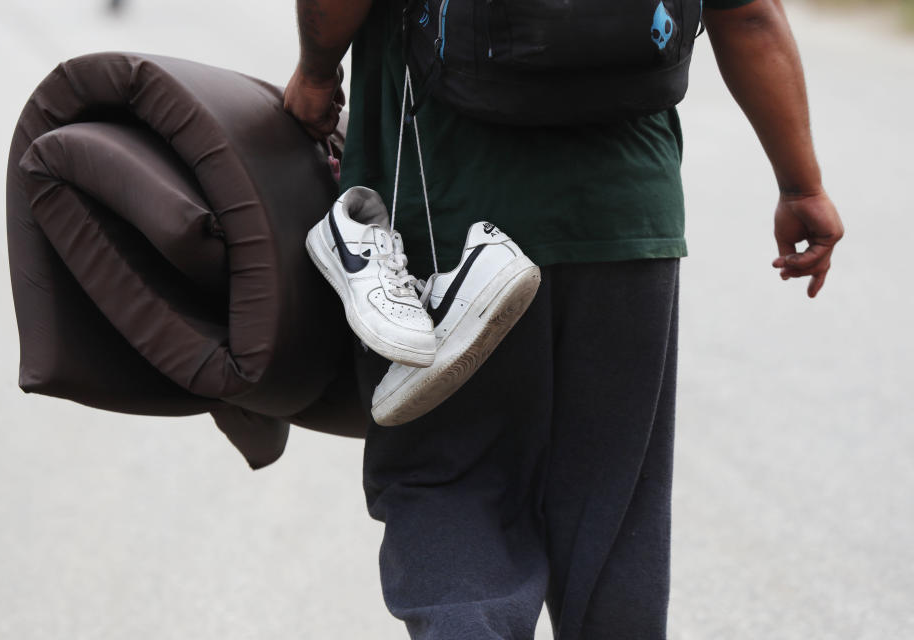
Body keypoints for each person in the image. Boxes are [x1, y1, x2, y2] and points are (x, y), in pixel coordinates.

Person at [284, 0, 844, 638]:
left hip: (444, 219)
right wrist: (801, 185)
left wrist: (316, 73)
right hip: (625, 216)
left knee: (449, 482)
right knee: (612, 519)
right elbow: (747, 13)